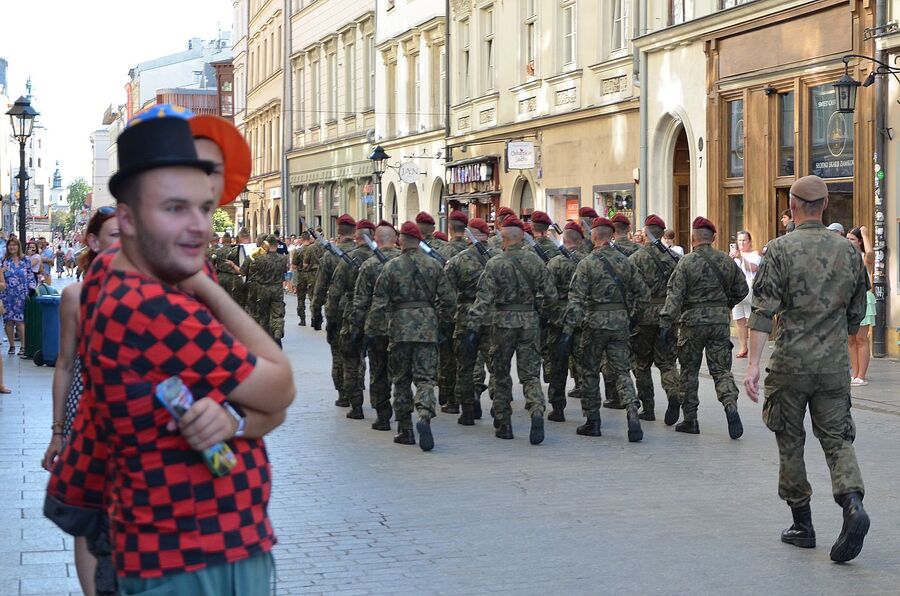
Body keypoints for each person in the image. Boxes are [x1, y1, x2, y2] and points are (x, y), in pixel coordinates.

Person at [45, 112, 294, 593]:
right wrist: (204, 284)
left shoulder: (104, 278)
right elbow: (280, 383)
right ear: (129, 220)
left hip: (171, 549)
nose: (199, 226)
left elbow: (266, 408)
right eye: (175, 208)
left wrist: (243, 419)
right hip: (199, 556)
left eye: (204, 207)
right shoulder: (158, 307)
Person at [744, 174, 870, 563]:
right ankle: (852, 504)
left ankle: (803, 524)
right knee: (837, 440)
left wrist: (751, 366)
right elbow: (857, 311)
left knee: (790, 440)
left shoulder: (779, 250)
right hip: (833, 365)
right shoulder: (848, 251)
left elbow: (762, 312)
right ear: (825, 206)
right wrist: (835, 336)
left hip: (790, 366)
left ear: (794, 207)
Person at [40, 207, 119, 595]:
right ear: (93, 241)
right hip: (83, 408)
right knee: (90, 507)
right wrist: (58, 431)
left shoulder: (151, 290)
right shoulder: (76, 295)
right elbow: (65, 364)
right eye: (114, 235)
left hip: (130, 412)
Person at [464, 216, 556, 444]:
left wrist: (473, 326)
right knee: (530, 373)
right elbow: (551, 295)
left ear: (503, 239)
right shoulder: (535, 261)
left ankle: (504, 424)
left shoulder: (495, 263)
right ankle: (536, 410)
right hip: (528, 320)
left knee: (501, 373)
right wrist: (542, 314)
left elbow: (483, 299)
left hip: (502, 321)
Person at [367, 221, 455, 451]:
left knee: (402, 380)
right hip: (427, 327)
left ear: (402, 240)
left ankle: (405, 429)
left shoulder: (391, 266)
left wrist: (375, 331)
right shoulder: (434, 265)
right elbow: (448, 300)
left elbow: (379, 303)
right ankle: (425, 415)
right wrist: (441, 324)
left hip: (399, 329)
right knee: (425, 379)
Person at [560, 217, 649, 441]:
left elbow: (576, 300)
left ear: (594, 236)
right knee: (621, 370)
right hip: (620, 322)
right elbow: (643, 294)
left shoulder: (586, 263)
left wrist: (571, 328)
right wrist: (632, 317)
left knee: (590, 370)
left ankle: (593, 421)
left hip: (594, 323)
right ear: (610, 236)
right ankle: (631, 412)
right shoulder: (625, 261)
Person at [659, 216, 748, 438]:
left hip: (692, 323)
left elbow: (675, 297)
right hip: (719, 322)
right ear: (713, 238)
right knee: (721, 370)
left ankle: (690, 420)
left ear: (692, 238)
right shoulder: (726, 261)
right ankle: (730, 406)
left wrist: (665, 323)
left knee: (689, 371)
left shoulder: (686, 262)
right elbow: (743, 289)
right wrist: (724, 305)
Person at [445, 217, 500, 425]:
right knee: (496, 365)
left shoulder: (459, 260)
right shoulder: (499, 257)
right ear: (486, 235)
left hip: (466, 316)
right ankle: (499, 405)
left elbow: (447, 293)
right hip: (493, 316)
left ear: (469, 235)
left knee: (465, 365)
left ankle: (467, 410)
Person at [629, 215, 680, 423]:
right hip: (668, 315)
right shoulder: (674, 258)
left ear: (646, 232)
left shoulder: (636, 258)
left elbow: (630, 289)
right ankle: (674, 394)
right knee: (667, 362)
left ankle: (648, 407)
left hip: (643, 317)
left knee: (641, 363)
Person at [351, 221, 402, 430]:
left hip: (378, 326)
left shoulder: (370, 265)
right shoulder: (404, 261)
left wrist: (357, 328)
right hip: (402, 326)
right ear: (396, 240)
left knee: (379, 371)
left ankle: (383, 415)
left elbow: (360, 301)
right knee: (401, 372)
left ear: (376, 240)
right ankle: (403, 416)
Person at [326, 219, 375, 419]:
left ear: (358, 236)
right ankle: (384, 409)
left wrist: (329, 318)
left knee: (350, 358)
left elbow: (334, 291)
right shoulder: (384, 258)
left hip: (351, 313)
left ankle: (354, 404)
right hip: (379, 316)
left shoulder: (347, 258)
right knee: (380, 361)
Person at [311, 214, 357, 405]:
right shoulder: (361, 253)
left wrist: (315, 313)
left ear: (338, 232)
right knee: (356, 354)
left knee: (338, 353)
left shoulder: (330, 256)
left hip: (336, 310)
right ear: (354, 232)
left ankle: (343, 394)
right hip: (358, 310)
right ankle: (356, 393)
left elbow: (320, 287)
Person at [544, 222, 585, 421]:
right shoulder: (587, 262)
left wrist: (548, 316)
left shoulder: (554, 263)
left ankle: (557, 408)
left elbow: (547, 295)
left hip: (558, 321)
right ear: (580, 241)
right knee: (586, 364)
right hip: (582, 319)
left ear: (564, 240)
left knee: (557, 364)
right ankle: (590, 410)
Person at [435, 210, 471, 414]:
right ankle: (469, 396)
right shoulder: (474, 252)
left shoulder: (442, 252)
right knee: (467, 358)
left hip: (450, 313)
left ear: (449, 228)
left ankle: (451, 398)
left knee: (448, 358)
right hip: (472, 313)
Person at [847, 226, 875, 386]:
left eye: (852, 239)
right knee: (851, 339)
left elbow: (871, 254)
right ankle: (855, 372)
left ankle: (861, 375)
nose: (848, 241)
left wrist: (865, 234)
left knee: (861, 339)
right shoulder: (847, 257)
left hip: (864, 298)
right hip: (850, 300)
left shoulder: (865, 257)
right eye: (847, 238)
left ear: (859, 242)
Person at [729, 230, 762, 358]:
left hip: (749, 287)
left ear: (749, 241)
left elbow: (753, 268)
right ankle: (743, 347)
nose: (742, 243)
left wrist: (741, 258)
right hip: (736, 288)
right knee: (738, 318)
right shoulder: (734, 254)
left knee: (750, 319)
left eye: (744, 240)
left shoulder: (755, 254)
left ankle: (753, 347)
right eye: (740, 240)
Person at [2, 236, 36, 356]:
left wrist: (31, 290)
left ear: (18, 247)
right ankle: (11, 346)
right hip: (7, 295)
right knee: (8, 321)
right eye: (10, 245)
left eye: (14, 245)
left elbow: (31, 276)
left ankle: (23, 346)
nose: (12, 247)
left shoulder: (25, 260)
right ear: (7, 247)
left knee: (20, 321)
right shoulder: (3, 260)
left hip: (21, 295)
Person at [253, 235, 289, 345]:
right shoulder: (283, 258)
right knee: (277, 313)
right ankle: (277, 332)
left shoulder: (259, 258)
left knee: (264, 314)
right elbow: (284, 271)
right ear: (277, 244)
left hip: (263, 288)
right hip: (277, 288)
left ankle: (266, 339)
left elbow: (254, 272)